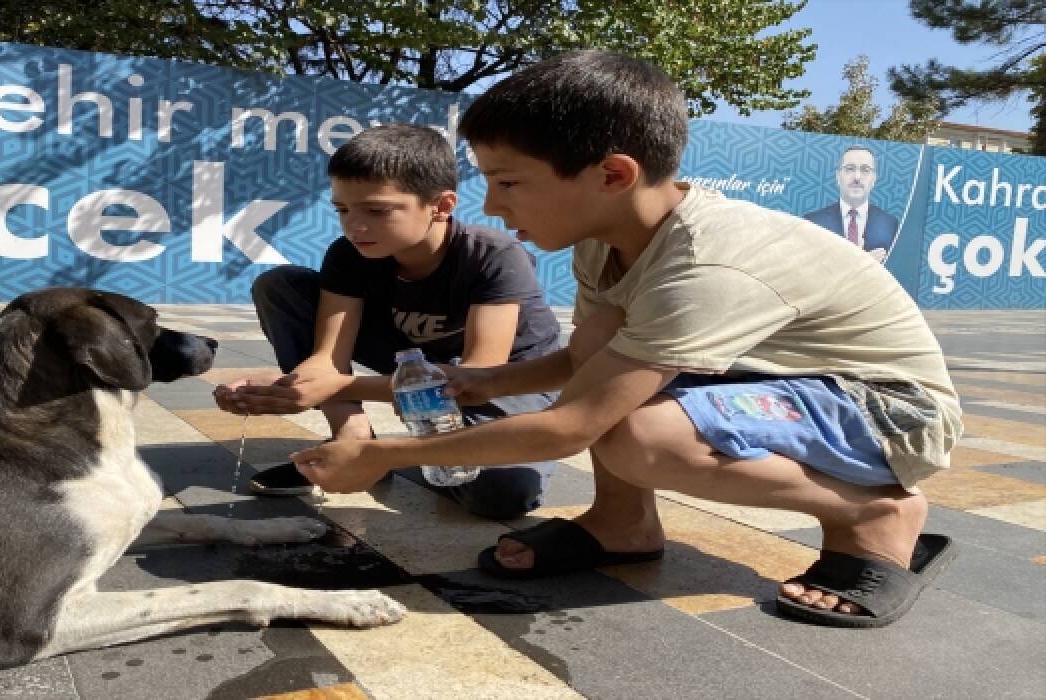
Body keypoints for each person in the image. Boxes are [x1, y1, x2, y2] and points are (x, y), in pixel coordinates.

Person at [292, 51, 962, 629]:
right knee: (610, 390)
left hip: (891, 411)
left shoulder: (706, 263)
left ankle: (875, 513)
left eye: (508, 182)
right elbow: (587, 363)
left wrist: (382, 456)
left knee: (633, 435)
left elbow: (569, 429)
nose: (492, 206)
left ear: (612, 175)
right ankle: (622, 523)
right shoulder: (606, 242)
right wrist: (490, 382)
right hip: (791, 384)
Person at [213, 123, 561, 520]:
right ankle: (353, 437)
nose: (355, 226)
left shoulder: (493, 255)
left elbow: (476, 379)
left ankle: (396, 453)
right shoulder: (349, 254)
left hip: (505, 378)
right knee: (281, 286)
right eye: (343, 210)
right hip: (410, 358)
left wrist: (337, 386)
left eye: (377, 210)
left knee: (501, 495)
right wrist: (291, 387)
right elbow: (327, 359)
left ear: (441, 206)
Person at [803, 145, 900, 262]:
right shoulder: (813, 222)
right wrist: (861, 263)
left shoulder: (890, 225)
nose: (857, 177)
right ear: (838, 176)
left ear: (874, 179)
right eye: (850, 169)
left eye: (865, 170)